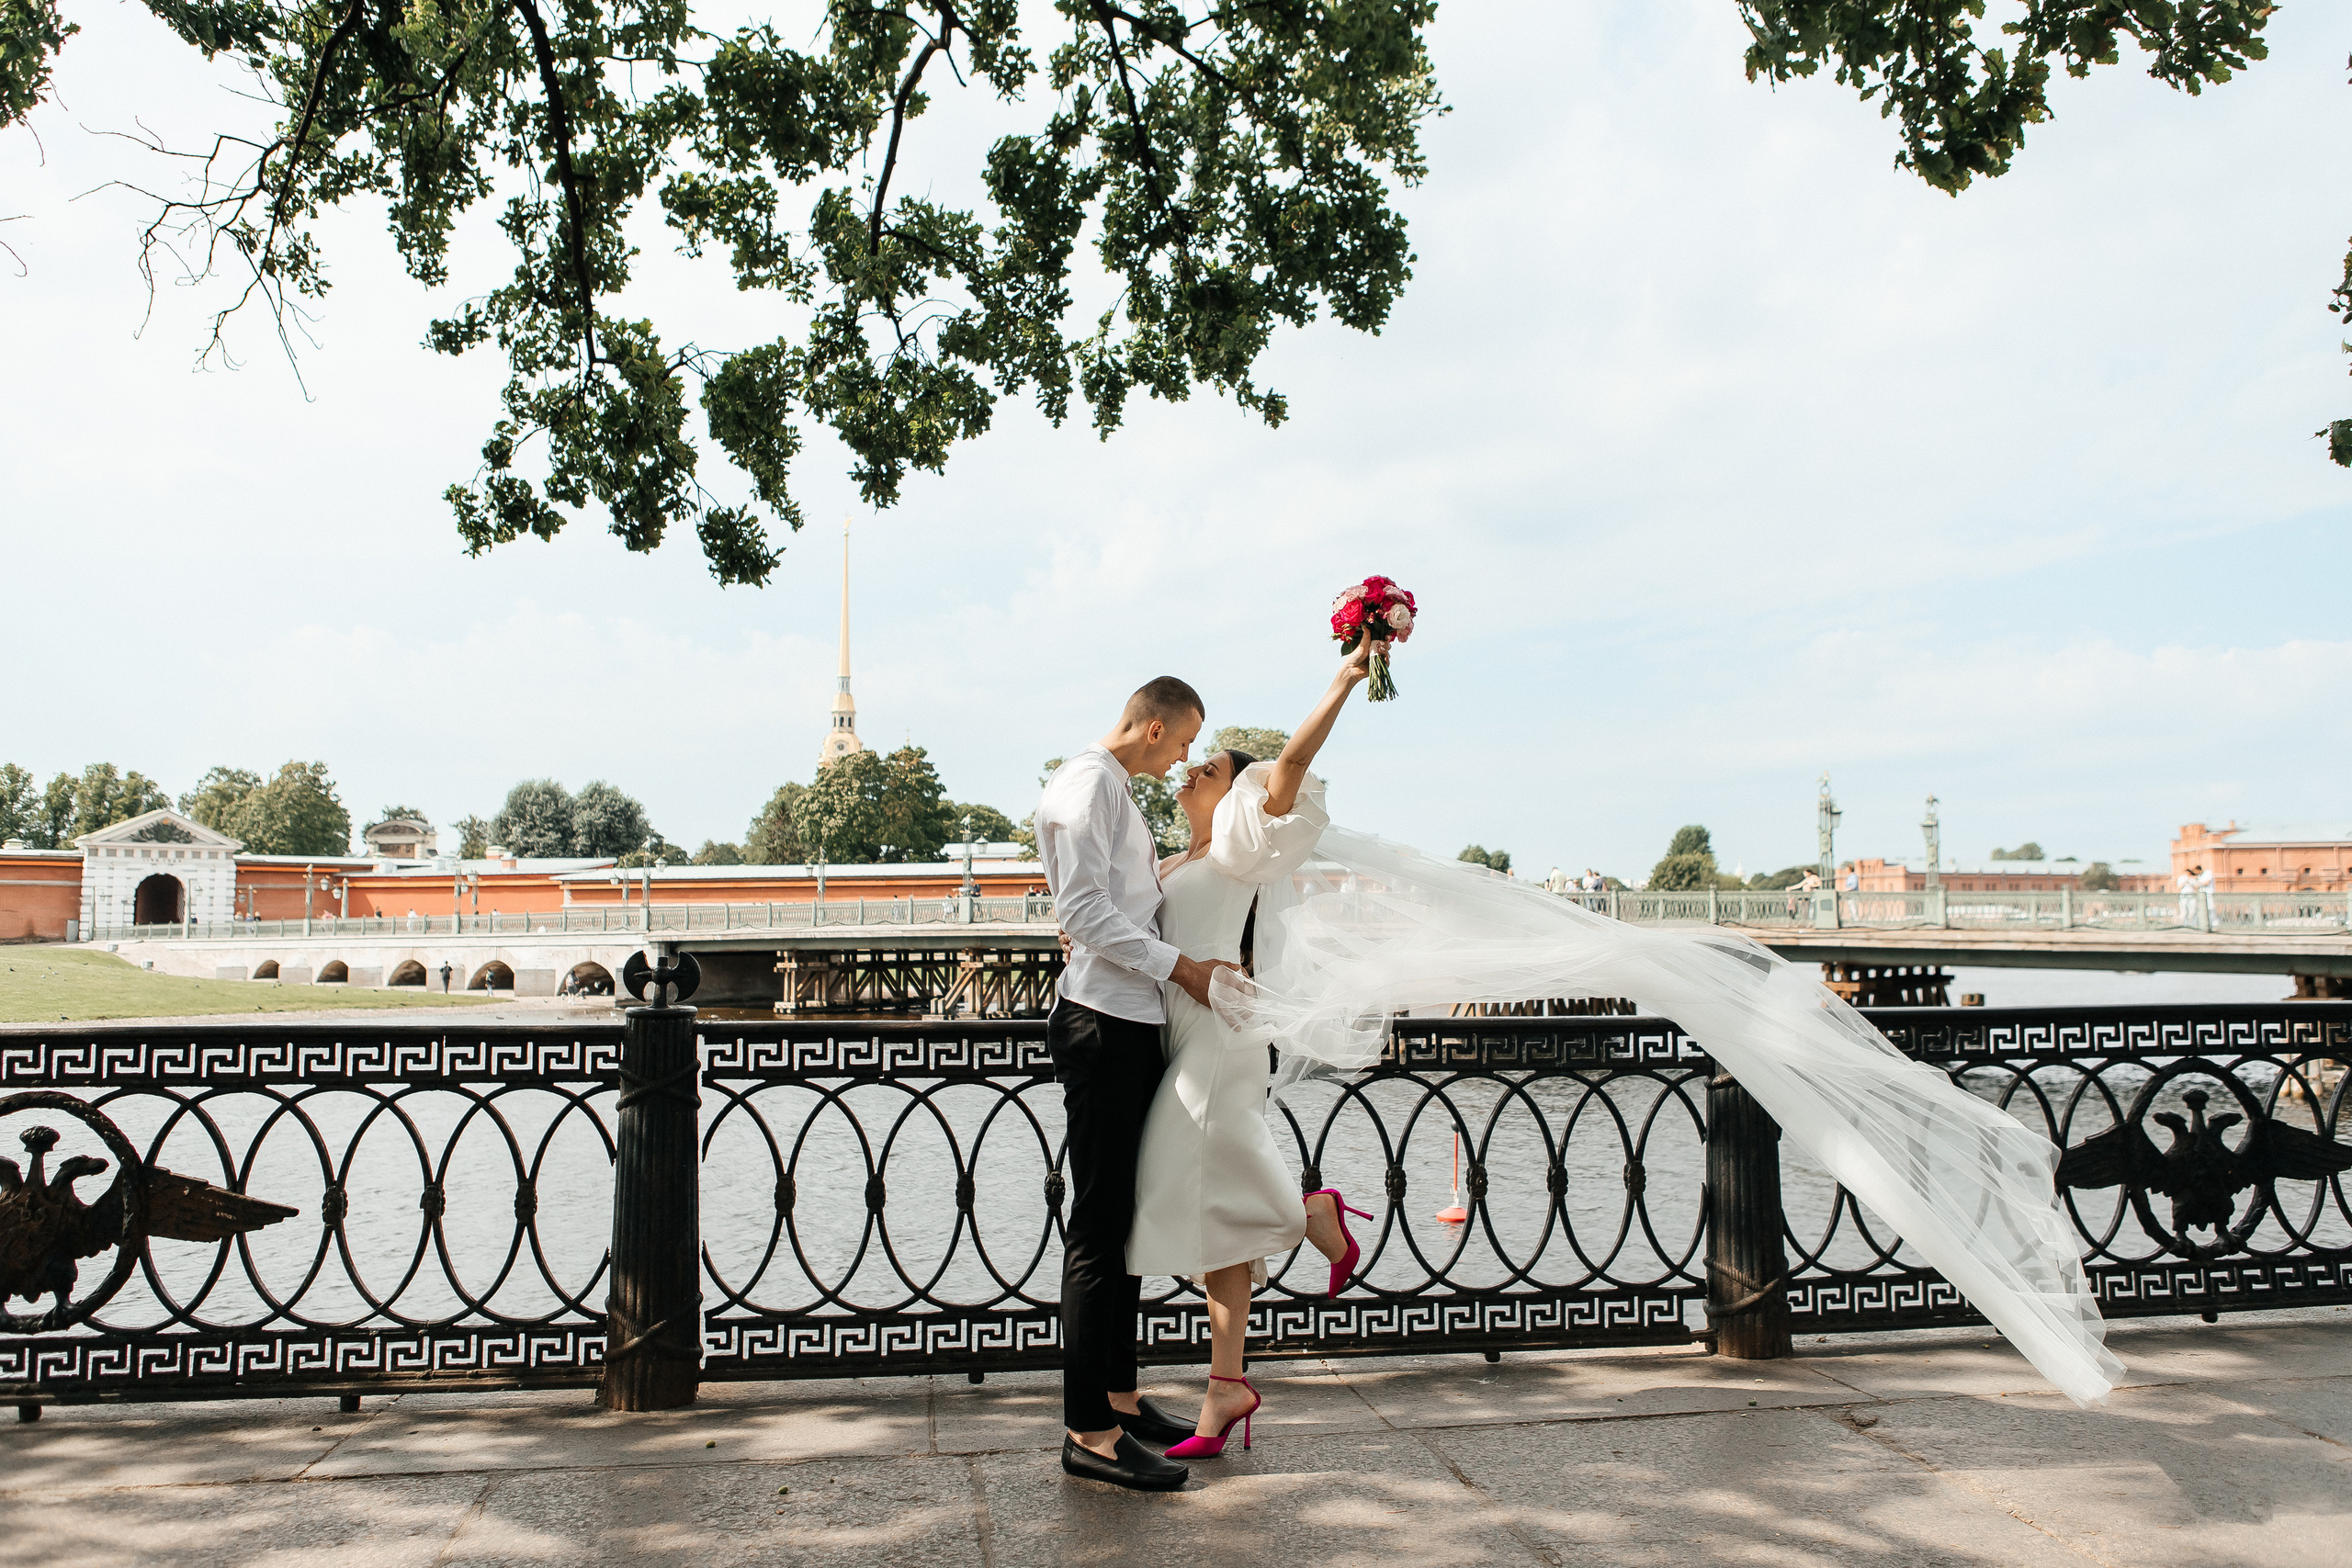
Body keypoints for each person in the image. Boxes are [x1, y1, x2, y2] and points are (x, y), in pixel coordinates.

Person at [1126, 640, 1376, 1459]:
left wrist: (1342, 680)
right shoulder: (1177, 860)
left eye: (1210, 766)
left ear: (1235, 791)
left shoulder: (1242, 843)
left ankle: (1309, 1216)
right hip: (1185, 1034)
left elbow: (1291, 765)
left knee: (1192, 1189)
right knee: (1213, 1210)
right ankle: (1225, 1386)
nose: (1192, 767)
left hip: (1219, 1041)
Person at [1034, 675, 1241, 1493]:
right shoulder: (1088, 785)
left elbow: (1108, 907)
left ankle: (1118, 1397)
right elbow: (1083, 911)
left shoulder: (1113, 789)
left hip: (1127, 1022)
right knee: (1096, 1229)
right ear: (1155, 728)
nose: (1186, 756)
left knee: (1121, 1222)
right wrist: (1184, 969)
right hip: (1102, 1025)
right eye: (1185, 740)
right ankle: (1088, 1430)